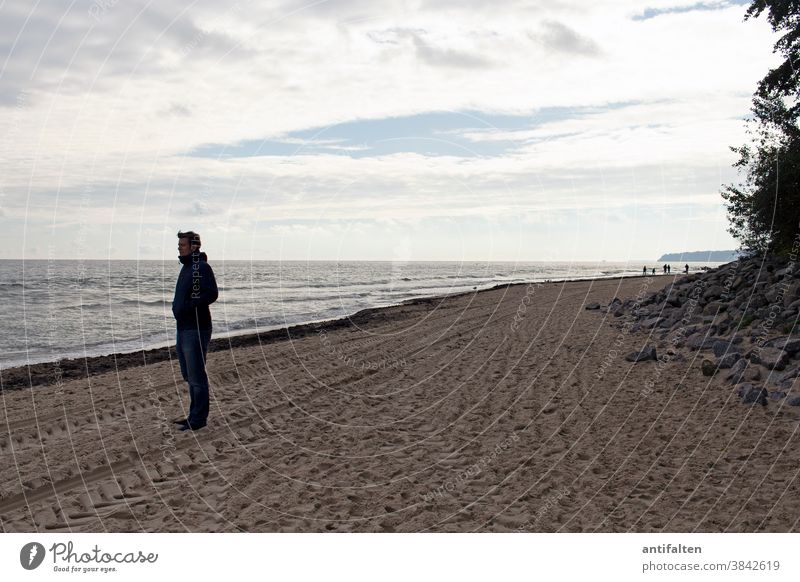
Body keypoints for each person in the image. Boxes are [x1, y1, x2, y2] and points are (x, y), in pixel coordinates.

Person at [172, 230, 218, 431]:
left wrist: (190, 305)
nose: (179, 248)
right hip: (183, 328)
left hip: (196, 328)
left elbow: (211, 293)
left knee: (196, 375)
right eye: (179, 245)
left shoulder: (201, 267)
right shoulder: (188, 267)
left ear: (194, 246)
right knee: (188, 373)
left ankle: (198, 419)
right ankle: (194, 415)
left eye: (183, 245)